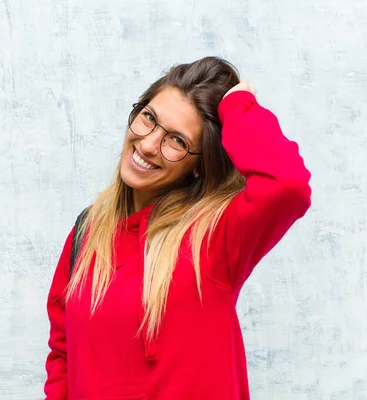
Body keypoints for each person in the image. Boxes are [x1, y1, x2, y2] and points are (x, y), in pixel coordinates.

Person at [44, 56, 312, 400]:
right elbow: (63, 353)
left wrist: (238, 106)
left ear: (199, 166)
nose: (148, 145)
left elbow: (287, 185)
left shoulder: (215, 237)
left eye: (177, 141)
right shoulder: (87, 232)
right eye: (149, 119)